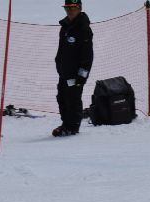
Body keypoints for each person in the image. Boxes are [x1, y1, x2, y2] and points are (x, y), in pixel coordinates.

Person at [53, 0, 94, 137]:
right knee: (62, 98)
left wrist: (82, 76)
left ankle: (72, 127)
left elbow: (87, 56)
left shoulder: (83, 29)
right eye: (67, 8)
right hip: (64, 72)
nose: (70, 11)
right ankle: (66, 124)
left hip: (76, 75)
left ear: (79, 8)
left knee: (73, 99)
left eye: (73, 8)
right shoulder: (65, 26)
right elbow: (61, 50)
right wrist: (59, 64)